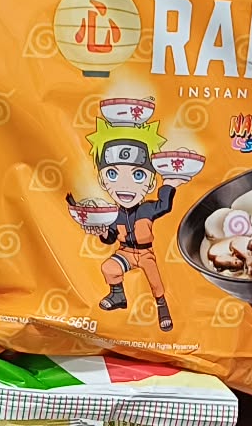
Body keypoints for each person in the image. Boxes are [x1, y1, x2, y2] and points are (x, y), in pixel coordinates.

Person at [75, 125, 176, 331]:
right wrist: (103, 231)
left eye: (138, 175)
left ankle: (162, 306)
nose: (125, 185)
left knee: (155, 281)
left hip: (145, 253)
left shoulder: (147, 209)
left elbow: (164, 206)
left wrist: (170, 183)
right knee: (109, 267)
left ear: (150, 184)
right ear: (103, 181)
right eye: (113, 174)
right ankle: (118, 295)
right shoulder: (112, 214)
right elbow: (111, 237)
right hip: (125, 252)